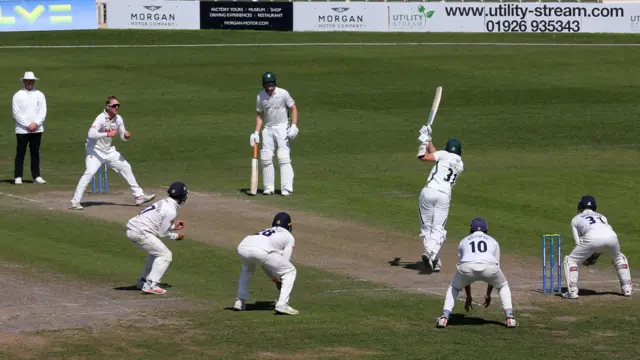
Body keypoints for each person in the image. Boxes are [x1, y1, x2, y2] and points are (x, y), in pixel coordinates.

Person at [69, 96, 155, 210]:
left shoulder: (118, 119)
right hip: (94, 150)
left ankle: (139, 196)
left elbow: (122, 135)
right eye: (114, 105)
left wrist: (125, 136)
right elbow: (91, 134)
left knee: (126, 167)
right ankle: (75, 202)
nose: (117, 107)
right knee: (89, 172)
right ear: (108, 106)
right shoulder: (100, 118)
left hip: (109, 150)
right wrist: (107, 134)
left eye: (118, 105)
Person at [435, 217, 517, 328]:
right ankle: (510, 318)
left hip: (467, 266)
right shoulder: (493, 241)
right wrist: (488, 294)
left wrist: (468, 296)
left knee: (454, 287)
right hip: (490, 267)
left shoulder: (463, 241)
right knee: (503, 285)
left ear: (471, 229)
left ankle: (444, 317)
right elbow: (495, 266)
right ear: (486, 229)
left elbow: (463, 268)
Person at [563, 195, 633, 299]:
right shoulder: (602, 216)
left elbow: (578, 242)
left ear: (581, 206)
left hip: (592, 238)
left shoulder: (575, 219)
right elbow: (603, 238)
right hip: (612, 237)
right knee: (619, 259)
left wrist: (587, 256)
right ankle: (627, 289)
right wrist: (594, 254)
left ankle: (572, 291)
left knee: (571, 260)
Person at [416, 124, 464, 272]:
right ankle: (433, 257)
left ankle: (431, 255)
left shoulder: (443, 155)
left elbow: (423, 157)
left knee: (427, 227)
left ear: (447, 148)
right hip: (444, 196)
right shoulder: (460, 164)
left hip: (429, 192)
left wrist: (423, 143)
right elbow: (438, 155)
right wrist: (429, 139)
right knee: (438, 228)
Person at [125, 182, 188, 295]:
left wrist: (173, 227)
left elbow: (157, 223)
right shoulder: (171, 211)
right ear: (182, 196)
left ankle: (143, 282)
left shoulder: (163, 202)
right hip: (141, 232)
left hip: (134, 229)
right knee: (165, 255)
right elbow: (162, 233)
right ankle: (151, 285)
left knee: (155, 254)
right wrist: (176, 235)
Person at [233, 212, 299, 315]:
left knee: (247, 269)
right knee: (290, 271)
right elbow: (284, 262)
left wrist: (275, 280)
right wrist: (280, 280)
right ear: (288, 225)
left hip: (243, 247)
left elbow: (265, 263)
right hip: (261, 251)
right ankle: (282, 305)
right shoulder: (288, 236)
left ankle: (239, 301)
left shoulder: (266, 230)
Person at [249, 72, 298, 196]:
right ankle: (268, 187)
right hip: (268, 128)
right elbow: (260, 115)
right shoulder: (260, 97)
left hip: (282, 127)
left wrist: (293, 125)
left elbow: (293, 108)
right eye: (267, 83)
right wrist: (256, 132)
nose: (270, 86)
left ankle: (286, 188)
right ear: (264, 84)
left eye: (271, 83)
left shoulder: (283, 93)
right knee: (265, 157)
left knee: (283, 156)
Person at [13, 71, 47, 185]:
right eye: (28, 81)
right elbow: (16, 113)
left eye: (32, 81)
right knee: (20, 153)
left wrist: (36, 124)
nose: (30, 83)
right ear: (24, 81)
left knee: (35, 153)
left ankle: (36, 176)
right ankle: (18, 176)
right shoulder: (18, 95)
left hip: (37, 129)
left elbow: (43, 112)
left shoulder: (40, 95)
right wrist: (28, 125)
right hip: (22, 130)